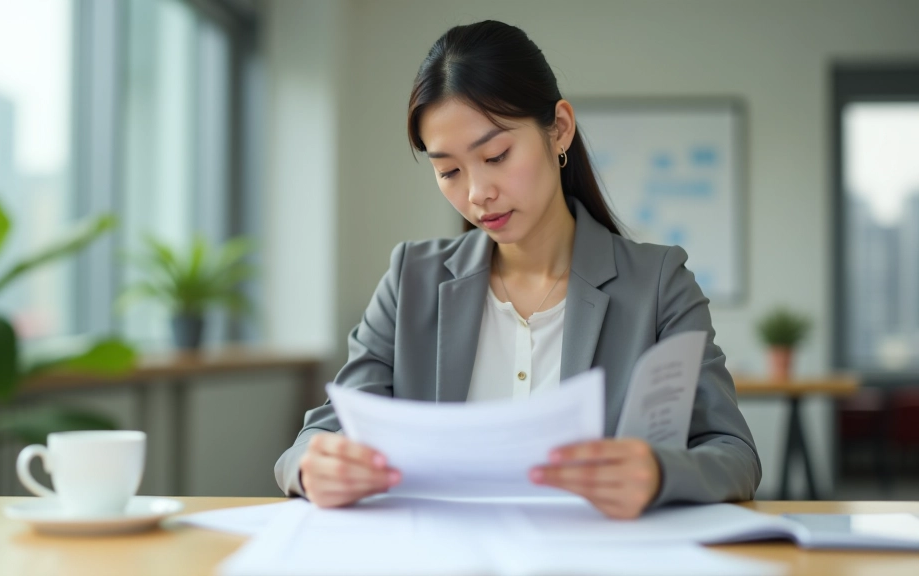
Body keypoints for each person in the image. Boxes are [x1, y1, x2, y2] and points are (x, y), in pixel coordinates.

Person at [275, 20, 760, 519]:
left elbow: (734, 454)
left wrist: (659, 474)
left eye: (496, 155)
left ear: (560, 129)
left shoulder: (658, 283)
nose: (476, 193)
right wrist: (316, 466)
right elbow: (317, 436)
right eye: (449, 171)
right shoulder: (409, 280)